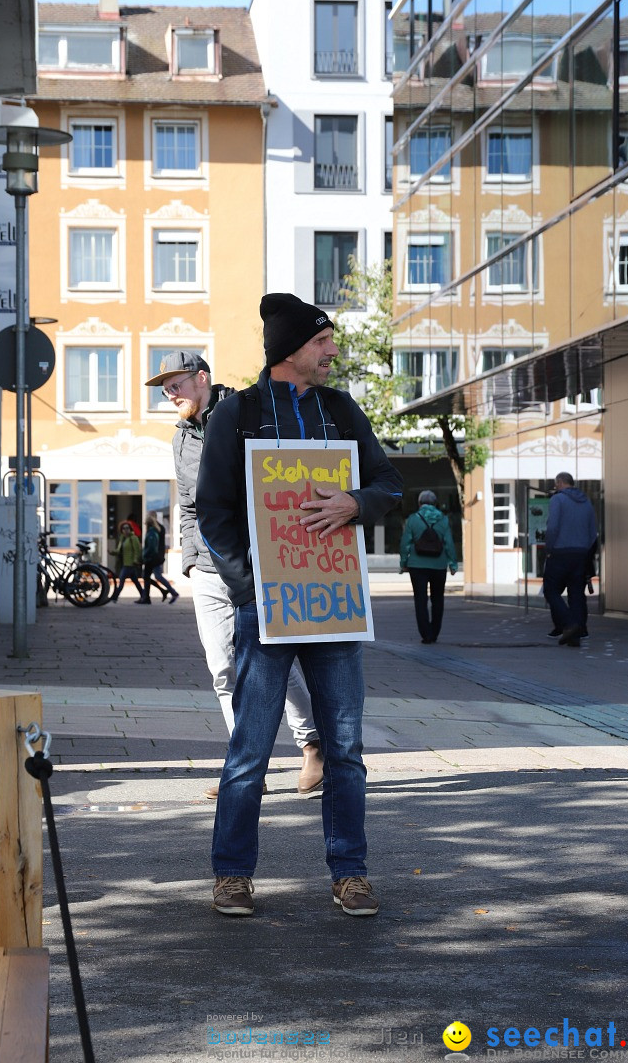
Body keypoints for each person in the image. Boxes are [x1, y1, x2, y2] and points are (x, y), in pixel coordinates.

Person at [196, 292, 404, 917]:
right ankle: (232, 874)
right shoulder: (238, 416)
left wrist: (354, 504)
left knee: (343, 746)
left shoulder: (340, 411)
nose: (333, 351)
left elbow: (388, 484)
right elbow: (214, 511)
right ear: (291, 350)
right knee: (251, 749)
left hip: (333, 604)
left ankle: (350, 873)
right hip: (266, 608)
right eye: (322, 342)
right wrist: (249, 591)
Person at [144, 350, 325, 800]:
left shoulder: (244, 413)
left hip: (253, 560)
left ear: (202, 377)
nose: (169, 394)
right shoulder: (179, 439)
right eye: (164, 388)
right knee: (223, 667)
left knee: (274, 662)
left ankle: (313, 743)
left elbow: (271, 481)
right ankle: (248, 764)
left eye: (176, 384)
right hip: (206, 566)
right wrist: (188, 558)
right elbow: (187, 504)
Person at [542, 472, 598, 648]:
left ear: (559, 483)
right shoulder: (587, 501)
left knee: (551, 590)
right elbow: (592, 532)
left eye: (555, 484)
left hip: (560, 552)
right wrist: (584, 550)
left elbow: (552, 527)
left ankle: (568, 624)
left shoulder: (558, 500)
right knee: (576, 594)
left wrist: (549, 548)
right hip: (581, 553)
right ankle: (577, 633)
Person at [399, 490, 458, 644]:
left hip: (417, 566)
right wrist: (452, 564)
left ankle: (426, 634)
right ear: (435, 503)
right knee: (438, 599)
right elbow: (449, 543)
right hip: (439, 565)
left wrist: (403, 563)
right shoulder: (443, 520)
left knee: (420, 599)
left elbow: (405, 543)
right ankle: (435, 632)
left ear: (419, 503)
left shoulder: (413, 519)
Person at [137, 512, 179, 605]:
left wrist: (144, 556)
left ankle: (169, 593)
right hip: (157, 556)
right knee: (150, 576)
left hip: (153, 557)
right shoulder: (160, 528)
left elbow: (152, 546)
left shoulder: (153, 529)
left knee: (153, 576)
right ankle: (164, 592)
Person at [111, 521, 144, 603]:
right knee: (136, 582)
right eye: (124, 528)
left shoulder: (133, 538)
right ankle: (144, 595)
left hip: (130, 564)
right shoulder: (122, 539)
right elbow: (119, 551)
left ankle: (114, 597)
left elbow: (137, 550)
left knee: (121, 581)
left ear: (130, 529)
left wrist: (136, 560)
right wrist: (112, 552)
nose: (126, 530)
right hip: (125, 563)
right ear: (121, 530)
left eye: (127, 528)